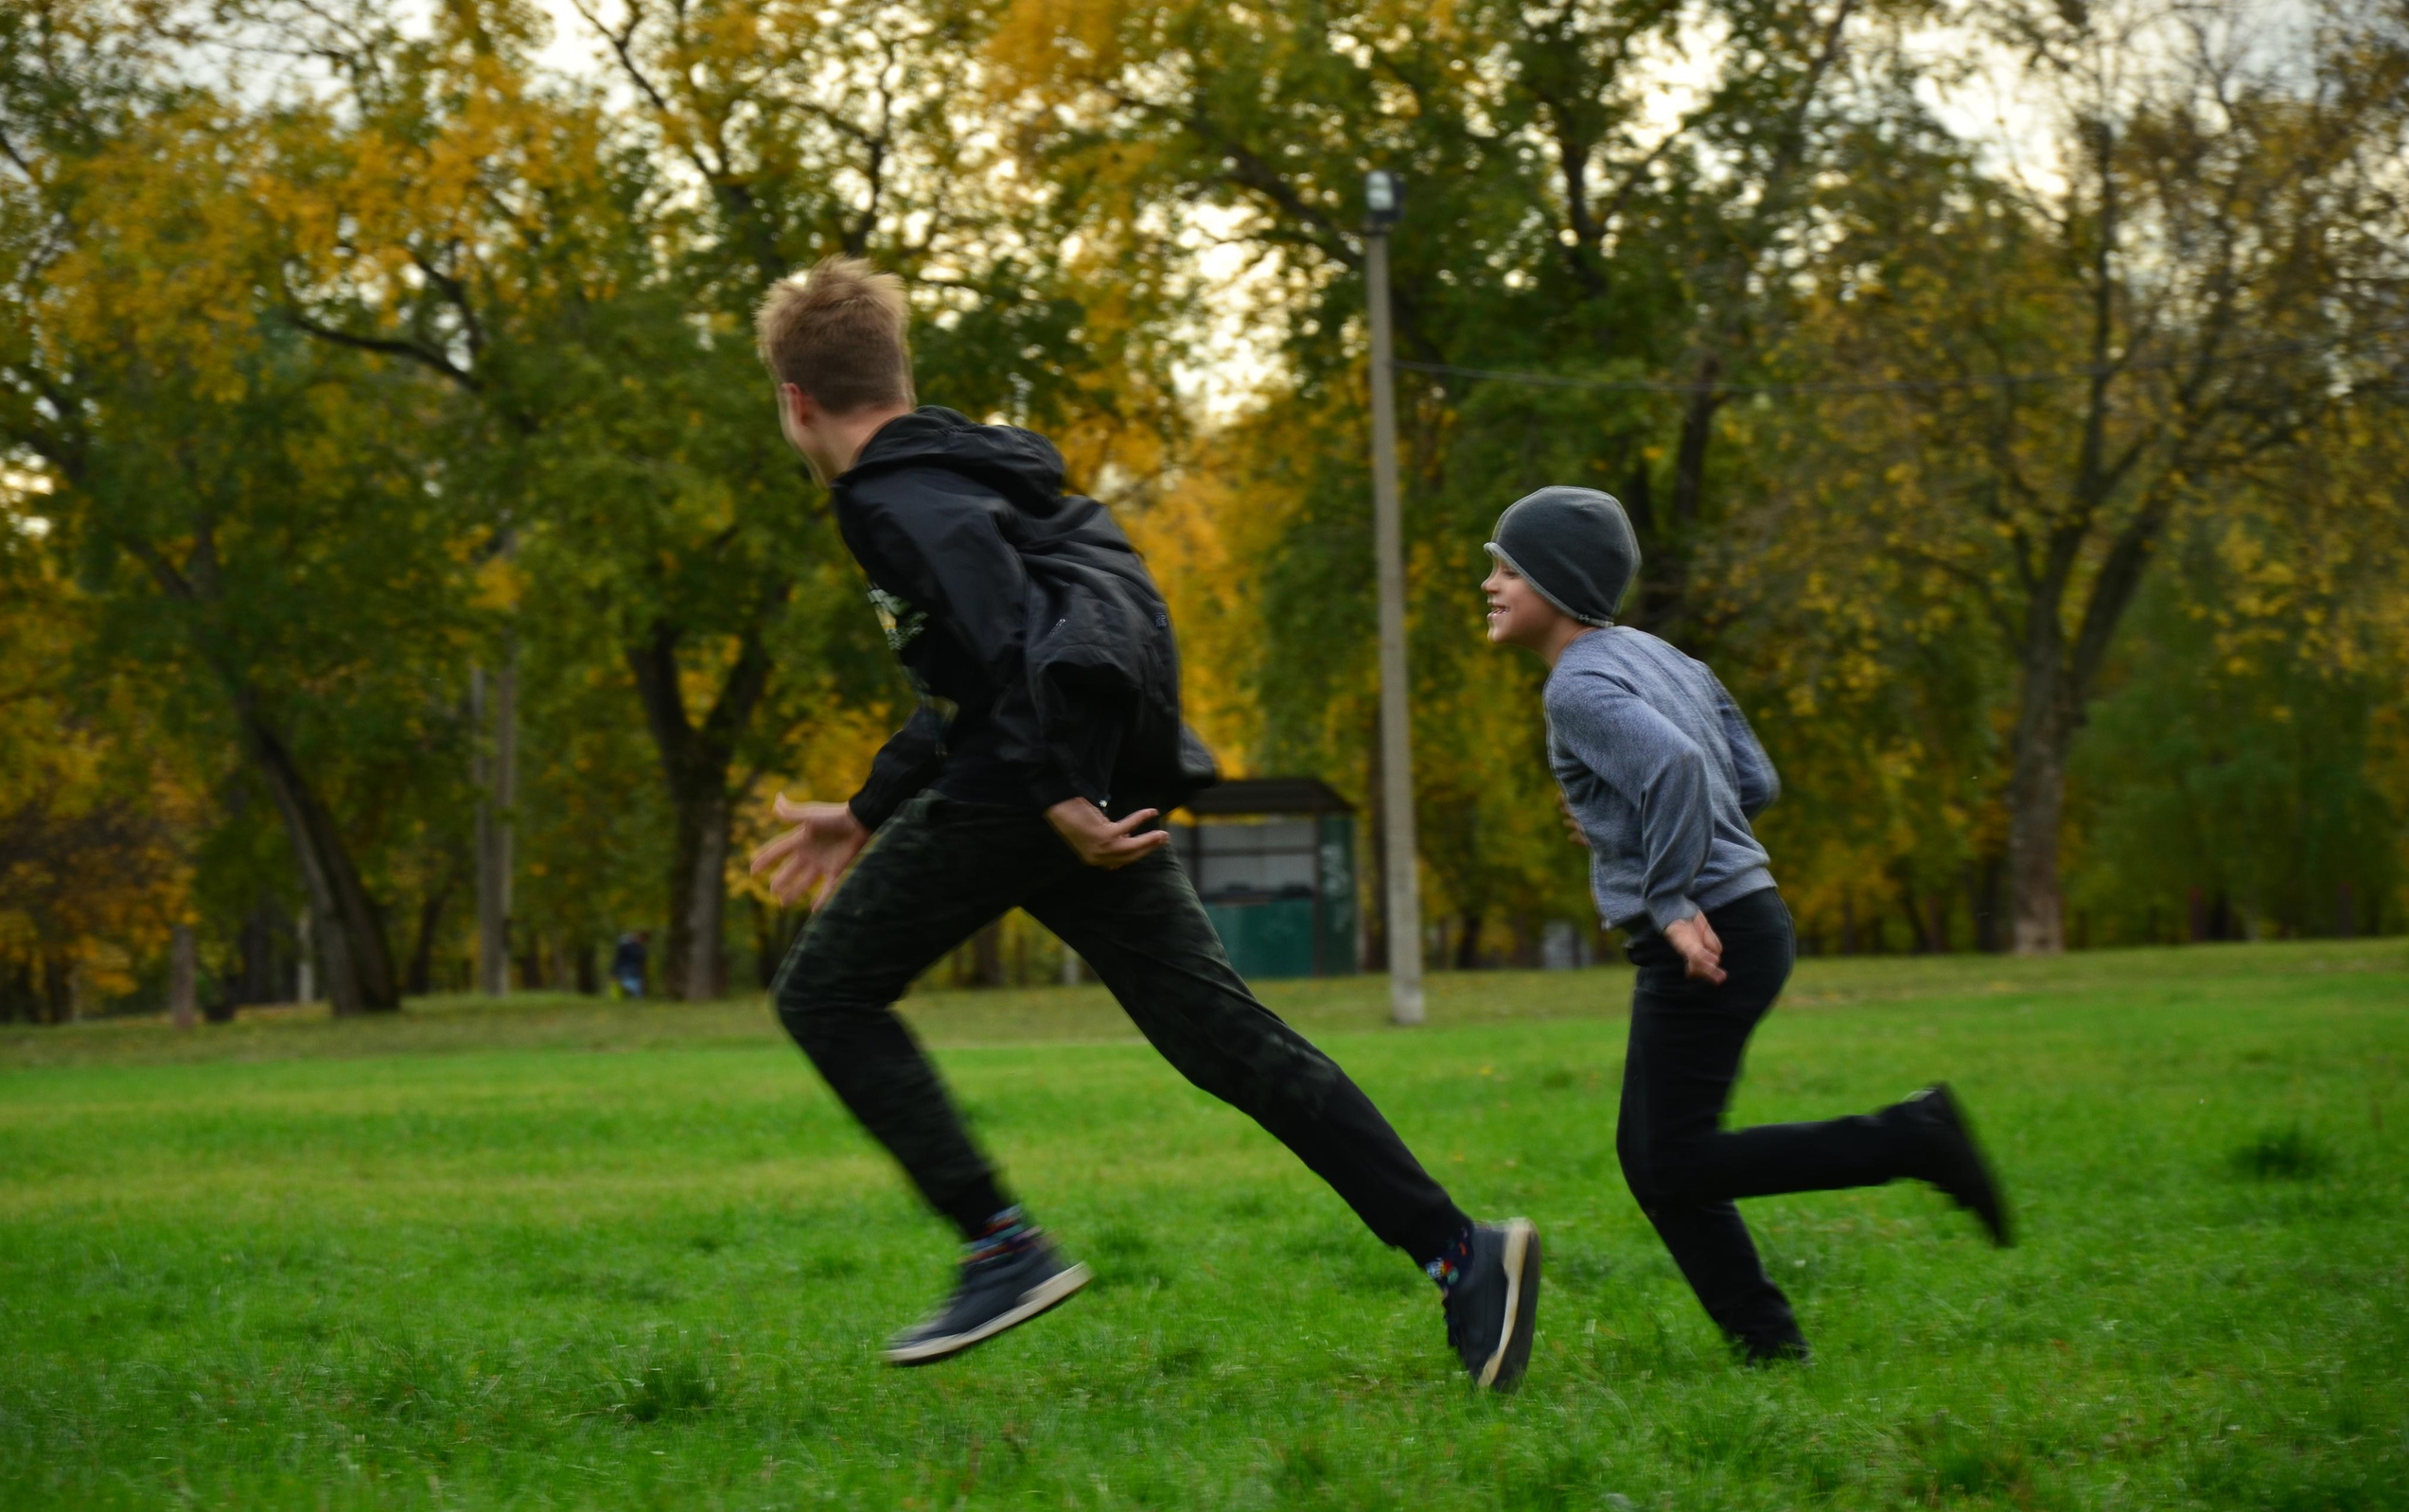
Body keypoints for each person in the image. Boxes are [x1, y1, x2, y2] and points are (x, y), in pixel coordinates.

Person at [746, 257, 1540, 1384]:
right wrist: (871, 807)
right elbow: (974, 675)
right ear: (900, 374)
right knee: (1226, 1039)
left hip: (1035, 792)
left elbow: (1006, 638)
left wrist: (1053, 792)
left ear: (795, 402)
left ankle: (1001, 1246)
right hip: (1073, 780)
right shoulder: (972, 472)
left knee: (823, 993)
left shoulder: (887, 497)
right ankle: (1465, 1254)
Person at [1480, 485, 2010, 1365]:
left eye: (1506, 568)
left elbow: (1683, 768)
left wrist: (1676, 896)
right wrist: (1627, 822)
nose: (1490, 585)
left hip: (1705, 931)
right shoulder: (1665, 659)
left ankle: (1915, 1139)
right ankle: (1767, 1345)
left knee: (1673, 1161)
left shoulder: (1576, 685)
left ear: (1555, 582)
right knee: (1657, 1158)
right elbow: (1749, 780)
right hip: (1752, 919)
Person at [610, 931, 648, 1000]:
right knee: (627, 989)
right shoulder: (627, 946)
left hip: (635, 972)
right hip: (626, 971)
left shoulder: (640, 948)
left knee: (635, 991)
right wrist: (614, 972)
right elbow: (619, 959)